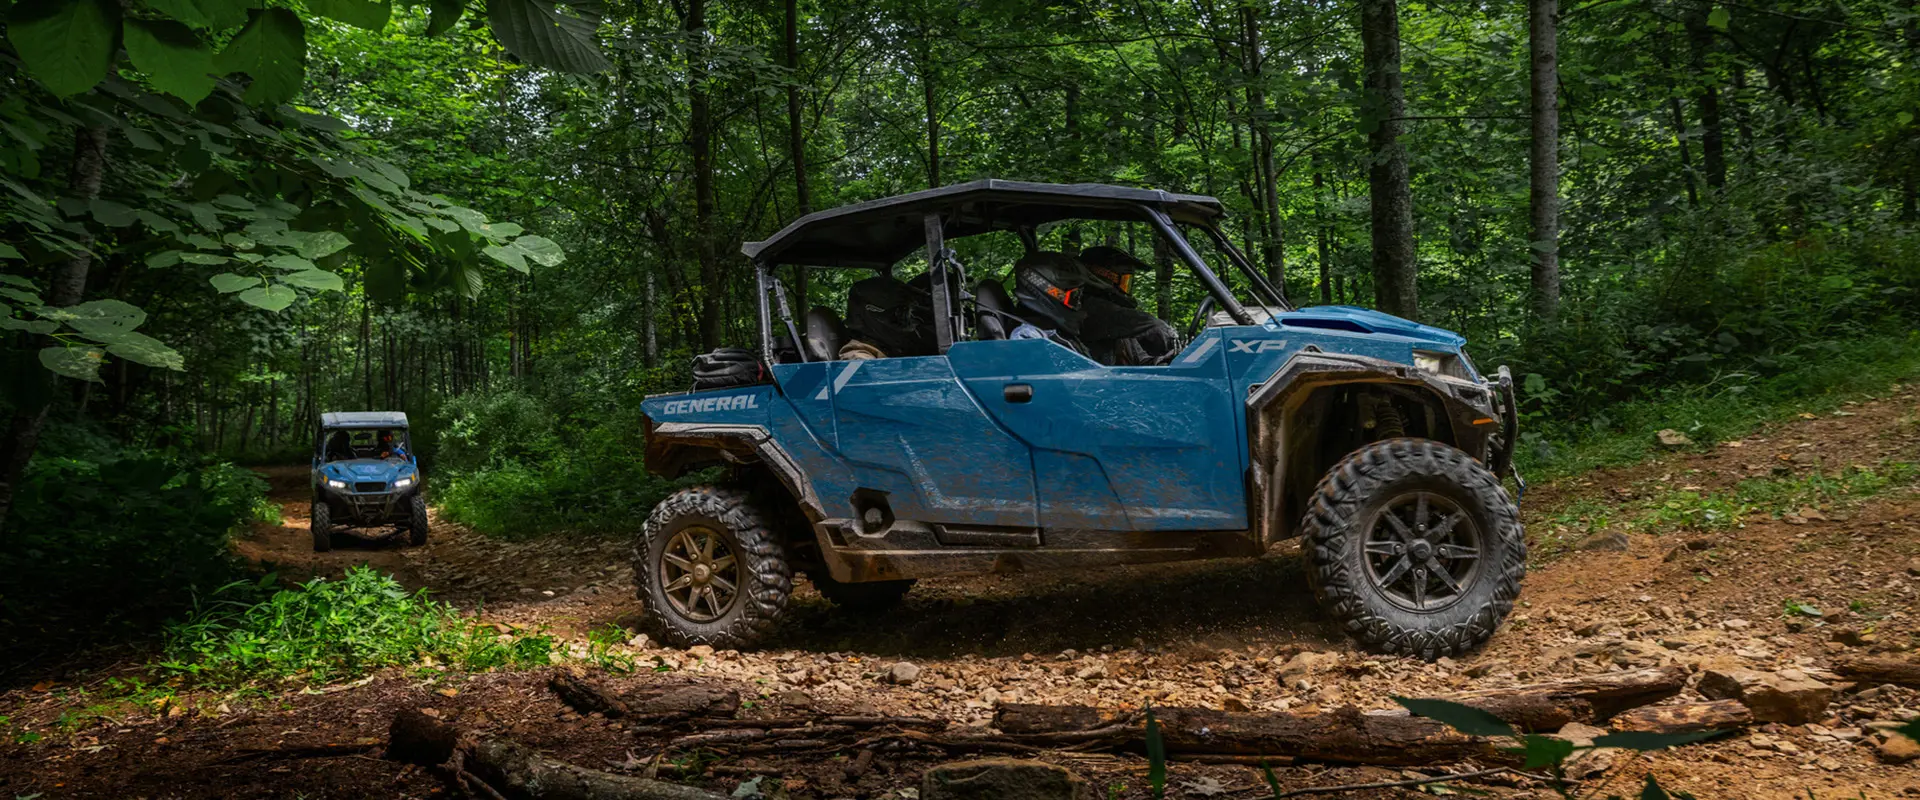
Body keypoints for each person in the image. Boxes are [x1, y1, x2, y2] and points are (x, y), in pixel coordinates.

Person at [1075, 246, 1180, 366]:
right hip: (1092, 377)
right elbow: (1145, 324)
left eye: (1128, 283)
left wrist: (1165, 362)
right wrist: (1172, 340)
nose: (1127, 289)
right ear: (1102, 275)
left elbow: (1141, 360)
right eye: (1125, 281)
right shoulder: (1087, 308)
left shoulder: (1121, 330)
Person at [1008, 251, 1089, 353]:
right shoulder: (1028, 336)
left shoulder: (1057, 331)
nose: (1078, 302)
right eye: (1073, 295)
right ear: (1047, 290)